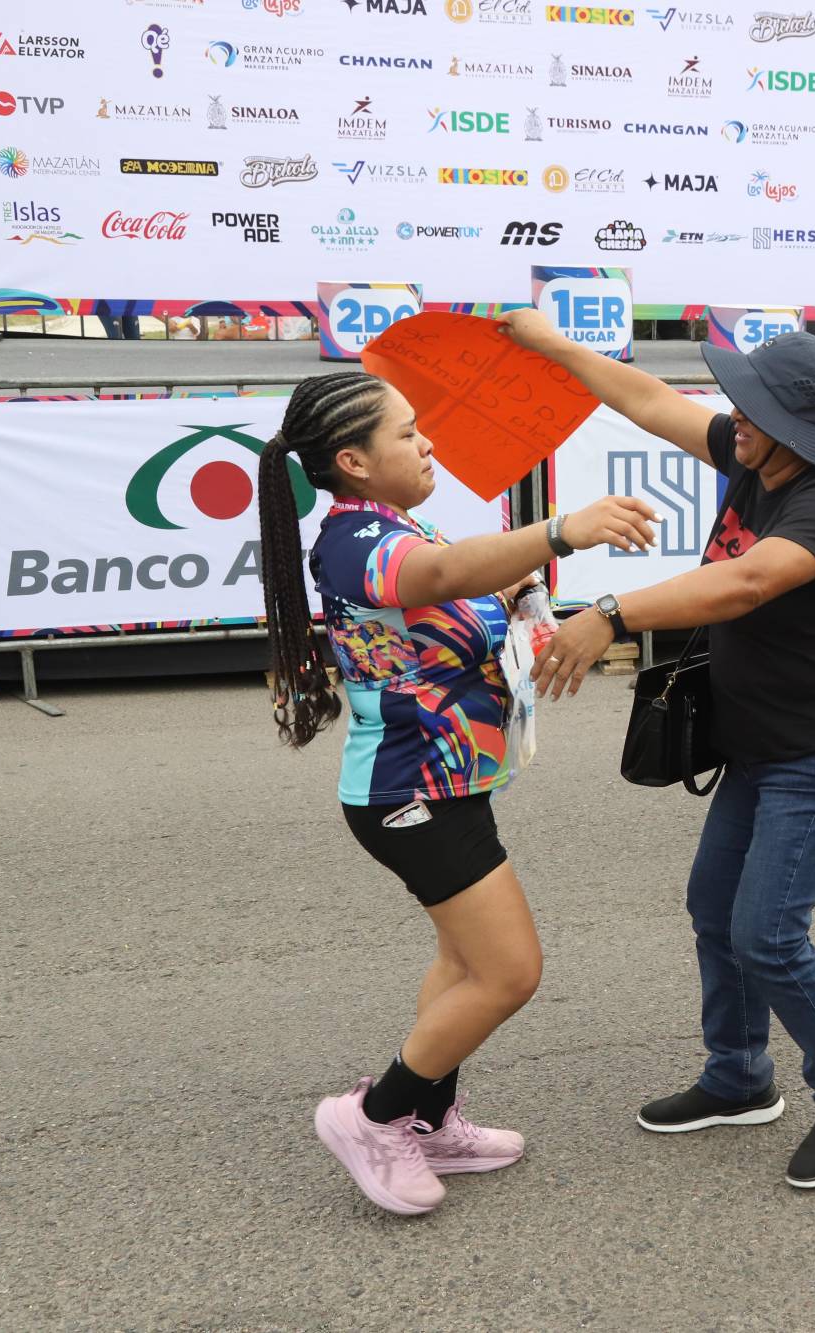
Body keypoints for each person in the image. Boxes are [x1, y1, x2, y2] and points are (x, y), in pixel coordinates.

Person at [500, 312, 815, 1190]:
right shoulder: (760, 452)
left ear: (796, 428)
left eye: (751, 408)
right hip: (762, 739)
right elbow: (650, 401)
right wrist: (553, 345)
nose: (733, 417)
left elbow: (745, 580)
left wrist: (607, 613)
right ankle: (740, 1075)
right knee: (714, 907)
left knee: (767, 932)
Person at [255, 371, 660, 1215]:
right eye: (408, 434)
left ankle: (431, 1116)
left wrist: (518, 591)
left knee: (464, 960)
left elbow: (455, 583)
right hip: (411, 793)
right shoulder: (353, 542)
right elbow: (436, 575)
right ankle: (370, 1118)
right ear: (353, 461)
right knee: (510, 972)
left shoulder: (390, 523)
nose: (428, 442)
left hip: (447, 782)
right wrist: (559, 532)